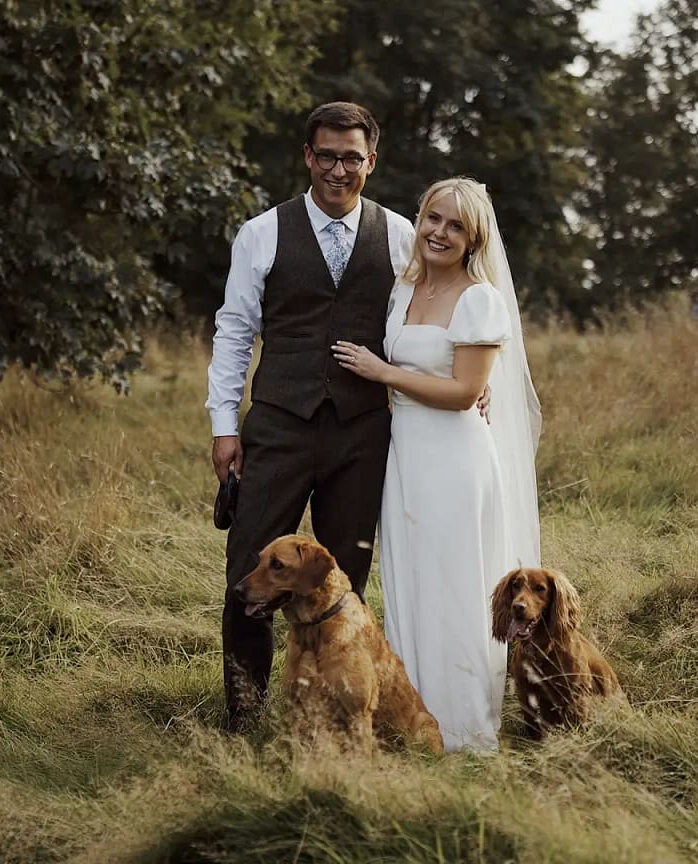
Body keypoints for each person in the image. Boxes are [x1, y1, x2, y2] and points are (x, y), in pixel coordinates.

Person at [206, 101, 415, 731]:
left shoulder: (400, 235)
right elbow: (234, 330)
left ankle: (333, 714)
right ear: (308, 156)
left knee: (343, 578)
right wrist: (224, 424)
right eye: (326, 155)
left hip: (362, 431)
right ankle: (246, 716)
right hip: (278, 426)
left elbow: (428, 317)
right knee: (248, 575)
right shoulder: (262, 233)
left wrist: (467, 379)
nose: (337, 170)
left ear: (371, 162)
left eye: (351, 158)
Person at [331, 177, 543, 751]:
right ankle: (417, 720)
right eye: (433, 218)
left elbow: (464, 392)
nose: (440, 233)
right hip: (406, 456)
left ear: (474, 239)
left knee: (454, 588)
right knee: (412, 584)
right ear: (419, 220)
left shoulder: (478, 299)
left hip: (454, 460)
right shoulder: (404, 288)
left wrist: (383, 372)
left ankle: (466, 728)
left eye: (456, 226)